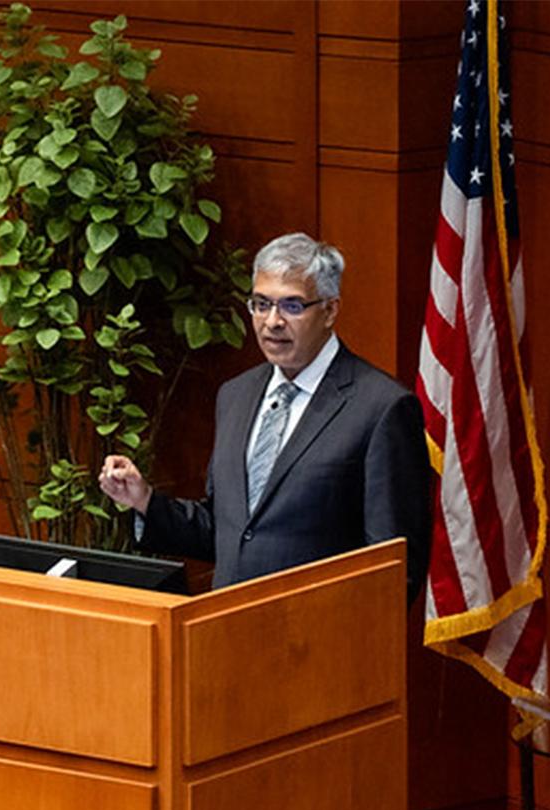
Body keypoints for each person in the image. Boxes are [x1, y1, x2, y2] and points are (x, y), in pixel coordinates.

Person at [99, 232, 432, 604]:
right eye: (261, 304)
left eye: (292, 306)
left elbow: (394, 571)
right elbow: (228, 530)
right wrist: (145, 500)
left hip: (319, 648)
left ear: (330, 310)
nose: (272, 321)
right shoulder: (236, 395)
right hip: (229, 636)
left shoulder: (382, 407)